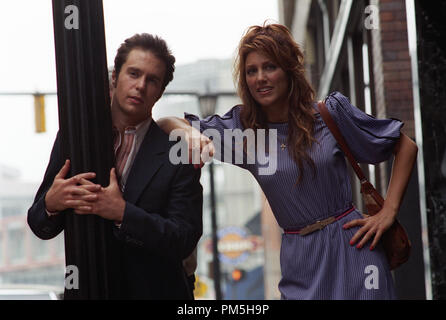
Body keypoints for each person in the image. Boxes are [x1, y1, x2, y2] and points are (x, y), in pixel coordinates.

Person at [157, 23, 418, 300]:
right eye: (251, 71)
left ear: (289, 69)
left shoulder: (329, 114)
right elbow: (165, 122)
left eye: (270, 67)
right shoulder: (245, 132)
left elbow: (405, 146)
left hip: (353, 250)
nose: (260, 78)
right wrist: (189, 133)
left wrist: (388, 212)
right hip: (299, 262)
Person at [27, 33, 203, 299]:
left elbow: (184, 238)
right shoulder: (74, 138)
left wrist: (122, 213)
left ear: (160, 92)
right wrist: (52, 203)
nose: (141, 85)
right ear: (115, 77)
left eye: (152, 80)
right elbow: (39, 224)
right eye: (133, 73)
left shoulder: (178, 153)